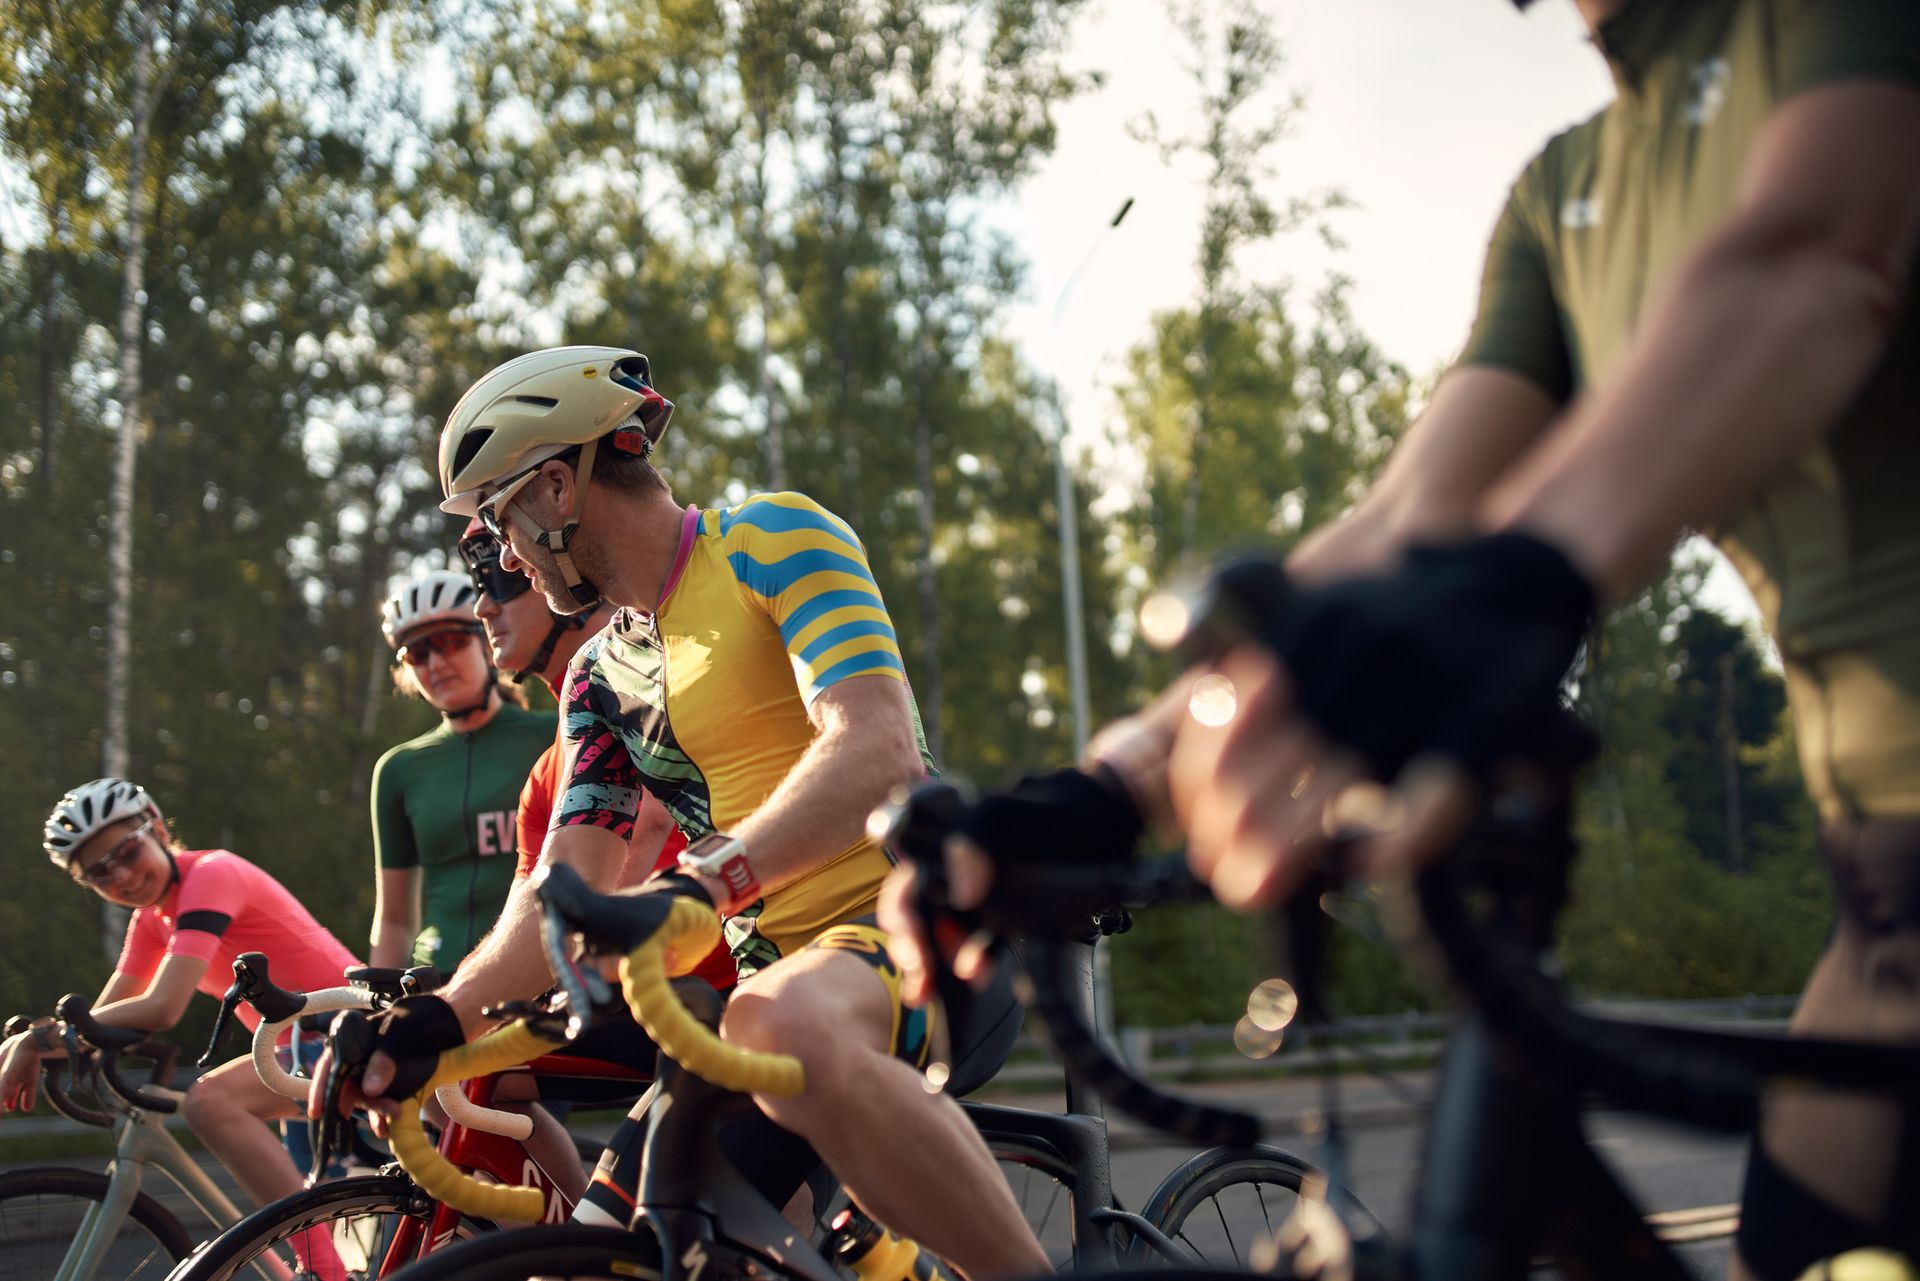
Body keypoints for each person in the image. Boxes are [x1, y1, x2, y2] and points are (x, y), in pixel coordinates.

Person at [883, 2, 1920, 1276]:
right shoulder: (1572, 190)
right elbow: (1409, 519)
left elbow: (1815, 260)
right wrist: (1105, 789)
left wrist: (1506, 586)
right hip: (1887, 900)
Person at [325, 344, 1042, 1277]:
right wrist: (446, 1013)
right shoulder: (596, 676)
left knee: (776, 1020)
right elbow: (562, 888)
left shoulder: (769, 538)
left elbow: (875, 747)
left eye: (500, 521)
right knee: (606, 1253)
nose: (501, 558)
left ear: (553, 490)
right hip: (762, 998)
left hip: (920, 938)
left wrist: (707, 881)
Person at [0, 778, 362, 1281]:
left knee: (210, 1102)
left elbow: (163, 1007)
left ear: (154, 822)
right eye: (99, 874)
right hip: (299, 1051)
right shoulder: (153, 920)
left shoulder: (212, 874)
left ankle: (324, 1272)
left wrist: (37, 1042)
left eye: (127, 851)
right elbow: (103, 1018)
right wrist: (38, 1043)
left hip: (353, 1033)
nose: (122, 876)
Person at [369, 569, 552, 969]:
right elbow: (395, 922)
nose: (435, 662)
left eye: (450, 642)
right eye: (417, 653)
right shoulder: (398, 770)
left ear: (488, 645)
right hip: (434, 985)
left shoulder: (556, 734)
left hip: (538, 976)